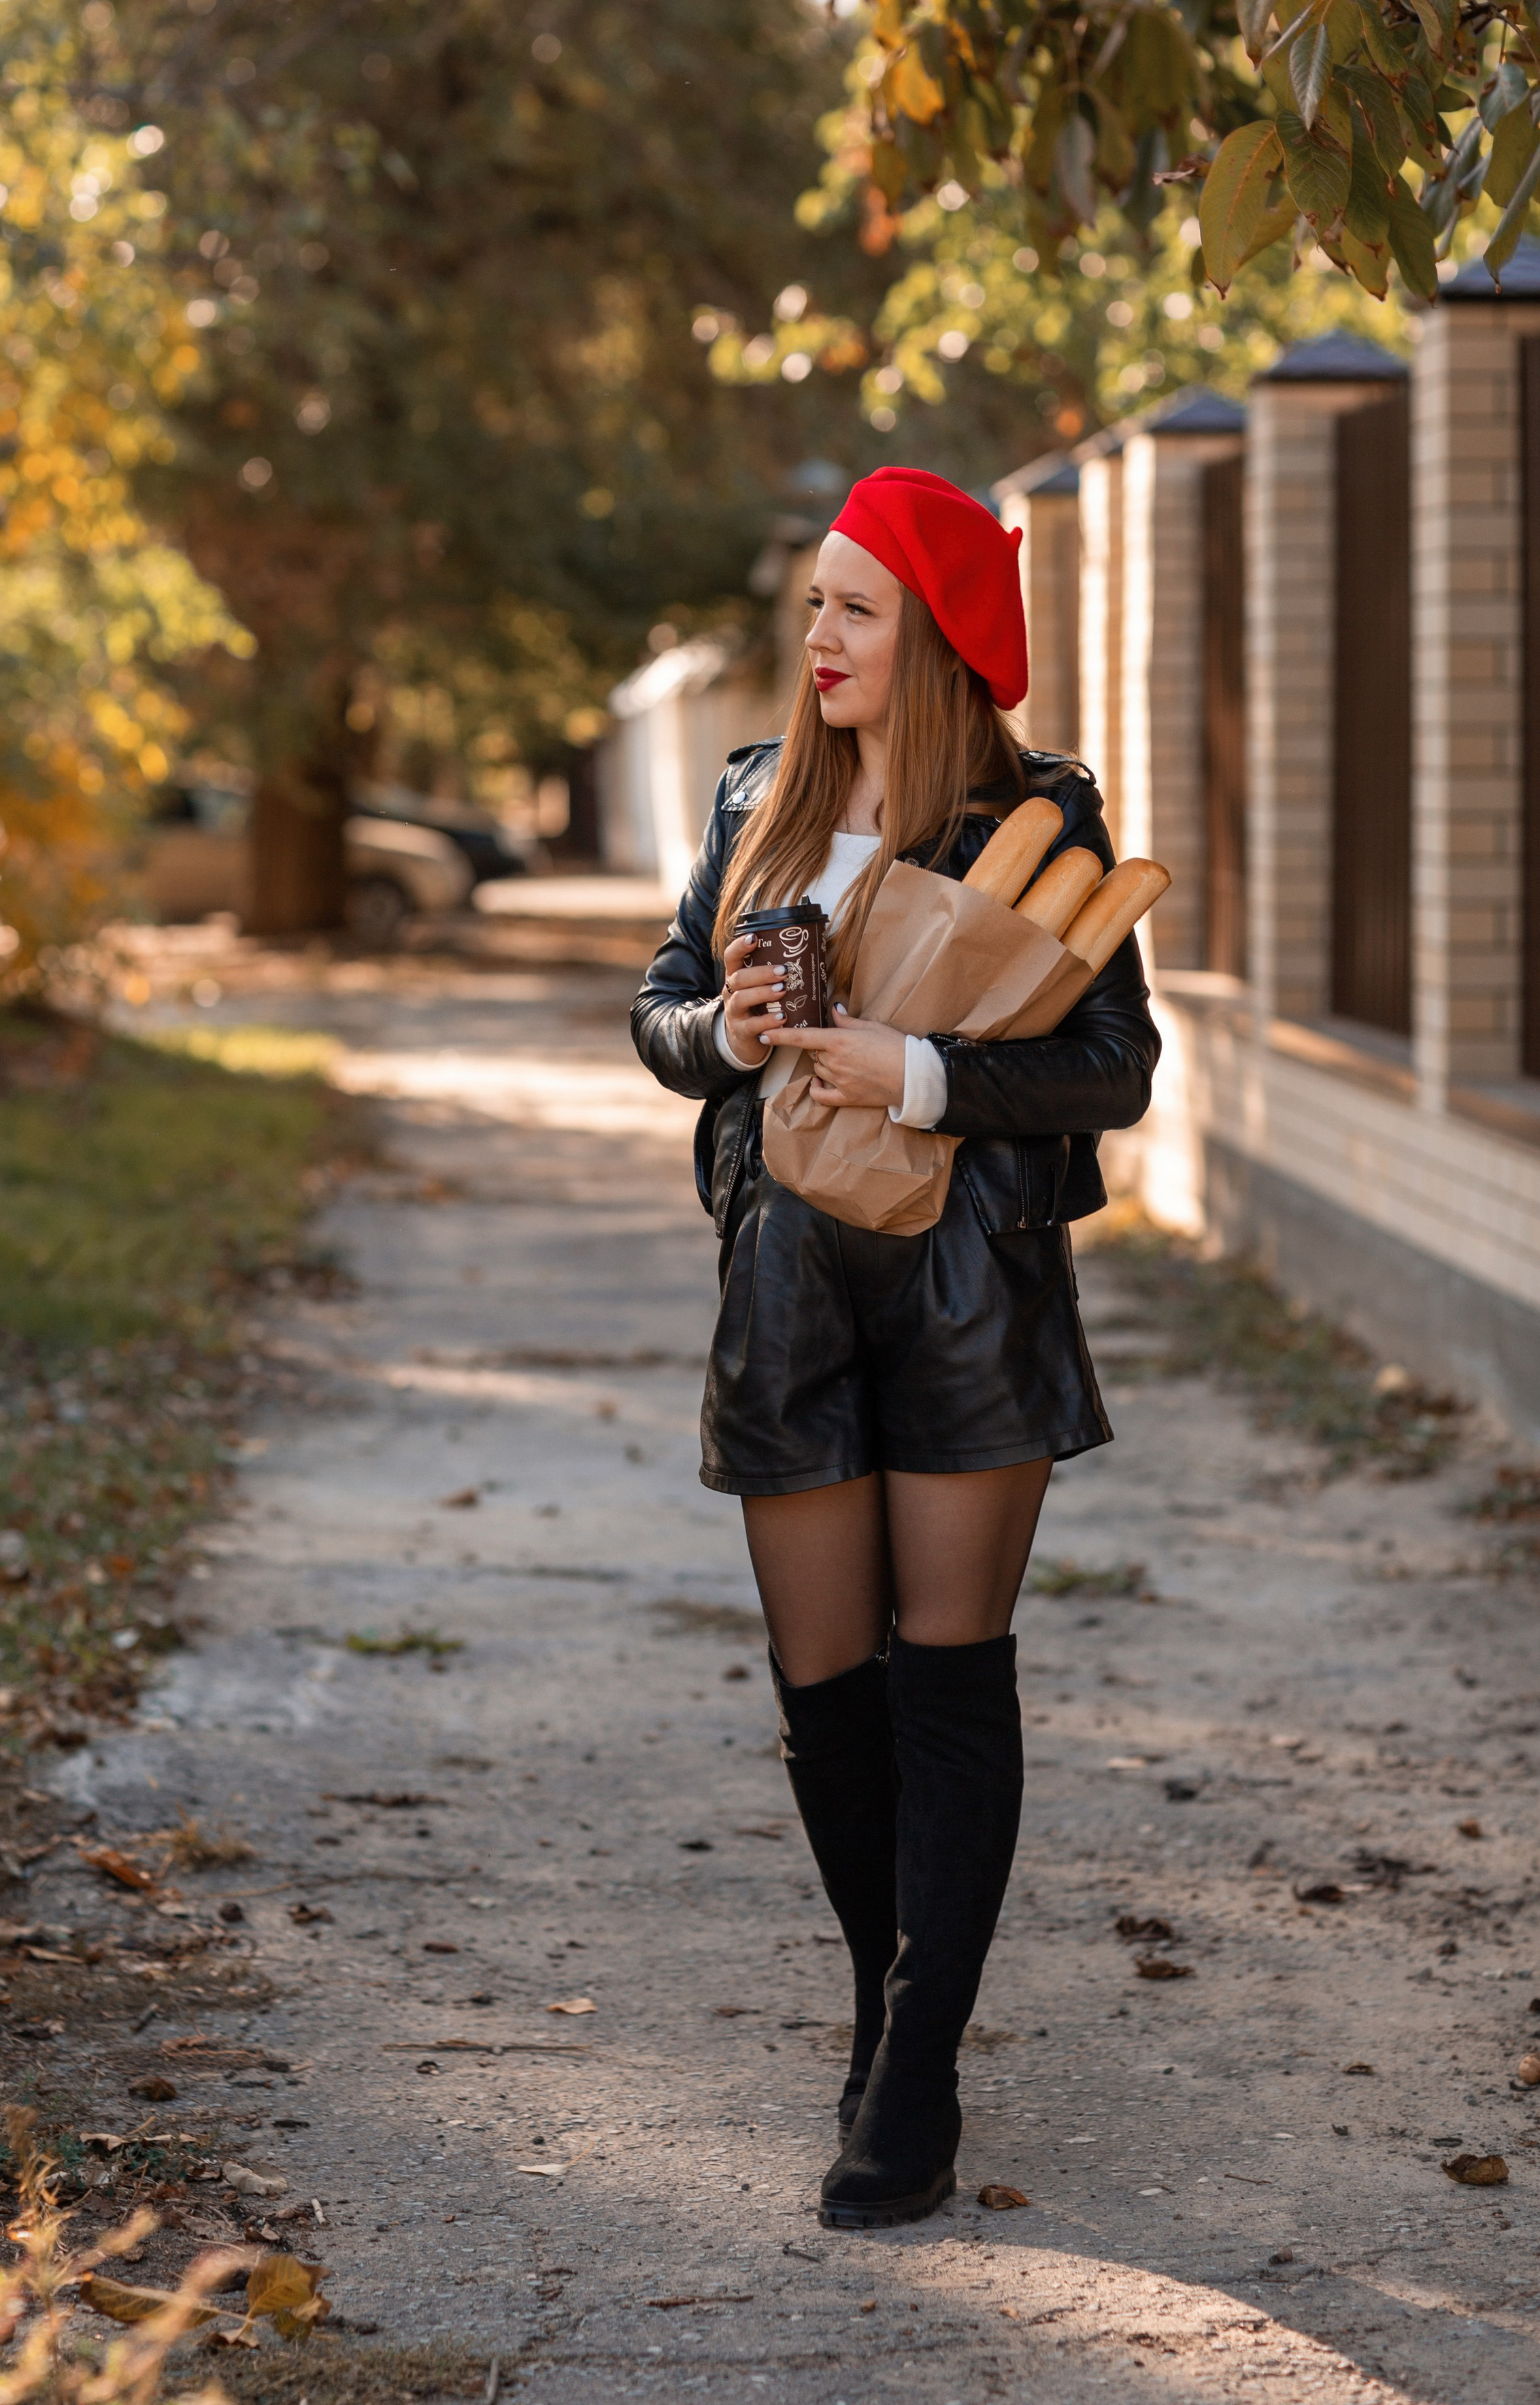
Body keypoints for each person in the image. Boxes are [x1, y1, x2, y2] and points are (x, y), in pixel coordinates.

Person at [631, 467, 1159, 2230]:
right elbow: (659, 1011)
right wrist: (728, 1032)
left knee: (950, 1674)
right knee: (827, 1689)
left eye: (856, 608)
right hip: (784, 1283)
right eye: (817, 605)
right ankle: (886, 2002)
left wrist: (919, 1073)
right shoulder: (754, 797)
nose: (821, 636)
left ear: (934, 636)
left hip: (969, 1286)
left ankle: (915, 2071)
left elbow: (1115, 1067)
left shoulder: (1038, 821)